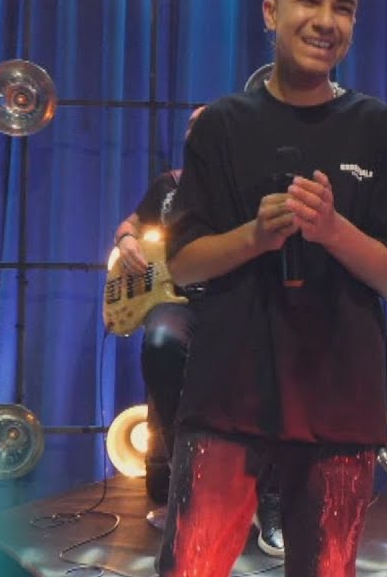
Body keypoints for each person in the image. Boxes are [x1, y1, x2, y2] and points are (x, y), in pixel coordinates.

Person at [157, 0, 387, 576]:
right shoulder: (220, 124)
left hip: (339, 394)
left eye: (343, 8)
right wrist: (255, 236)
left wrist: (331, 229)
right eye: (309, 1)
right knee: (191, 566)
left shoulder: (377, 127)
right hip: (229, 389)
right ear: (271, 12)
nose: (326, 21)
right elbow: (183, 263)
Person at [112, 105, 286, 556]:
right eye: (193, 128)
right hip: (178, 303)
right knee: (161, 342)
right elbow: (132, 223)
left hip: (235, 302)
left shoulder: (247, 188)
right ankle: (186, 480)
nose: (199, 134)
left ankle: (269, 498)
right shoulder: (169, 186)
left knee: (275, 357)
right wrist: (126, 240)